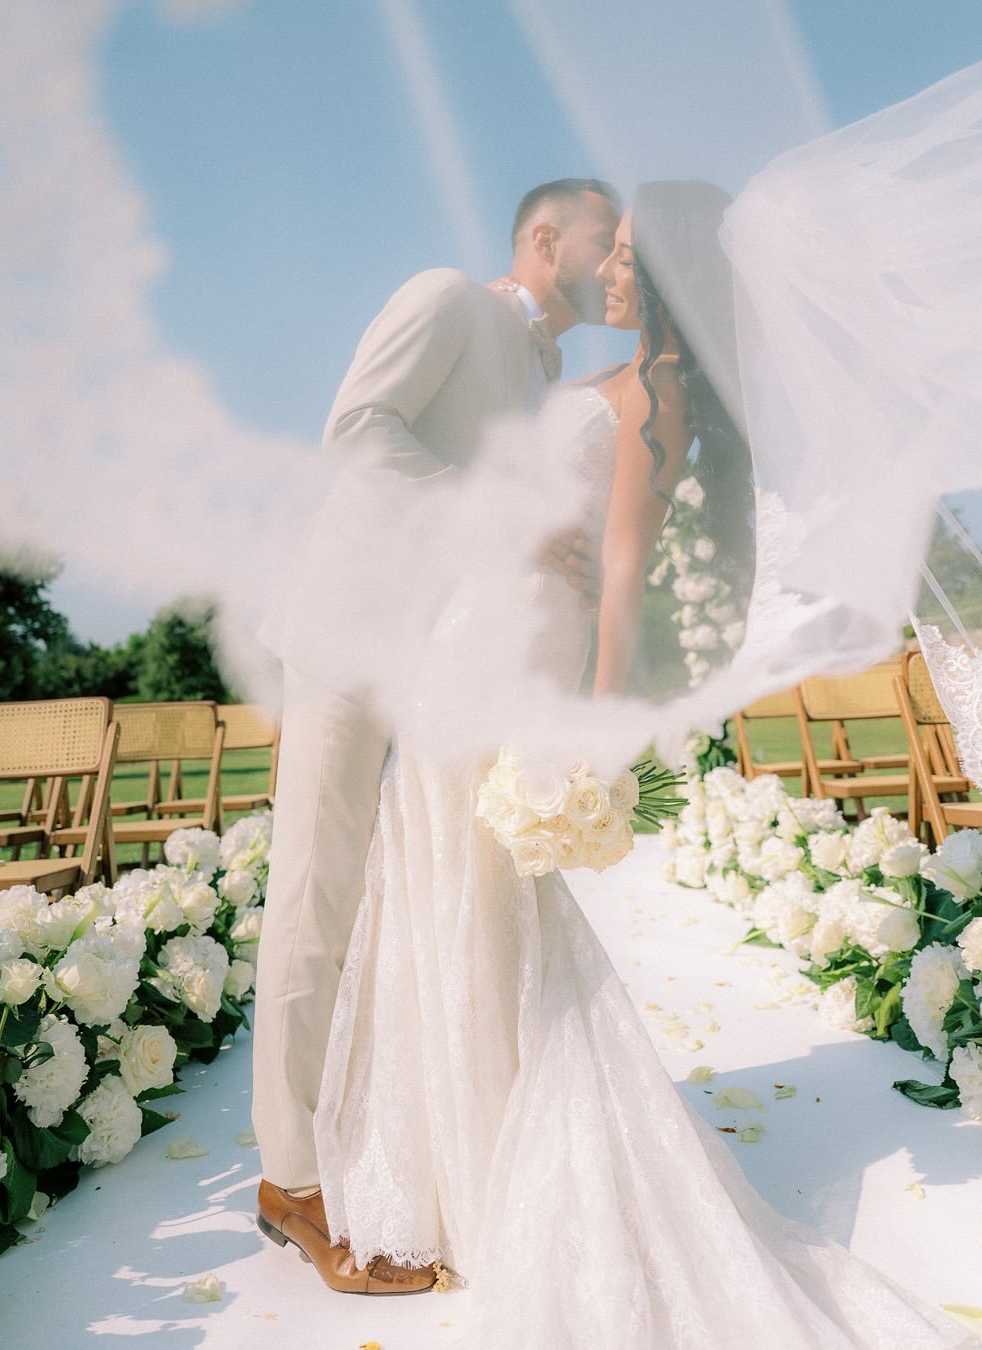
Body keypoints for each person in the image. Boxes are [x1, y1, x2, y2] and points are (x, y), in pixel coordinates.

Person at [309, 181, 970, 1347]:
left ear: (665, 272)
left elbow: (620, 573)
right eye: (605, 250)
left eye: (623, 255)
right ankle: (458, 1161)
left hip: (516, 647)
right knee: (439, 881)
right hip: (471, 630)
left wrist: (591, 724)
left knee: (473, 887)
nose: (607, 270)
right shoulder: (614, 378)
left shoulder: (660, 395)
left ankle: (493, 1161)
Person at [251, 176, 621, 1294]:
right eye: (603, 241)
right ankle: (292, 1182)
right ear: (545, 237)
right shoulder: (448, 296)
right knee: (315, 897)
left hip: (448, 664)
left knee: (418, 905)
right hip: (352, 631)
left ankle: (394, 1148)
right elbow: (359, 431)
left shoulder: (552, 375)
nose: (617, 263)